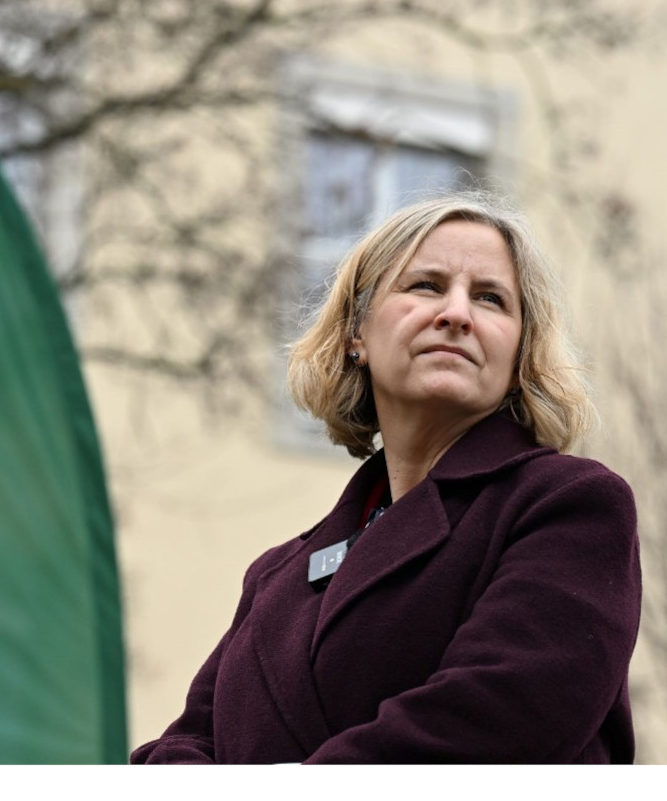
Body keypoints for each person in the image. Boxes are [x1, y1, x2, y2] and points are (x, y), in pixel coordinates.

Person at [130, 191, 641, 764]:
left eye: (491, 298)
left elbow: (504, 715)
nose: (456, 313)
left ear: (520, 355)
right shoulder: (275, 577)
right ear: (357, 335)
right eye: (425, 285)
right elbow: (189, 740)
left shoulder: (569, 506)